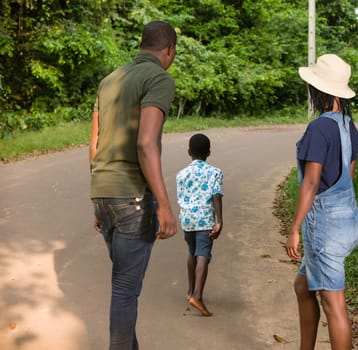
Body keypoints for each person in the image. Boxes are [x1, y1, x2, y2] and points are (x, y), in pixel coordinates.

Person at [89, 21, 178, 350]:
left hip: (104, 192)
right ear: (168, 50)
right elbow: (145, 143)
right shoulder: (158, 78)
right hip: (132, 198)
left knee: (124, 286)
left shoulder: (110, 79)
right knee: (125, 289)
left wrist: (100, 199)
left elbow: (95, 144)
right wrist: (165, 205)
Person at [285, 54, 358, 350]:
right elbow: (348, 179)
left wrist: (295, 227)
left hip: (326, 226)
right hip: (348, 221)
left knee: (334, 303)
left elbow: (312, 182)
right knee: (303, 286)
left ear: (318, 91)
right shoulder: (348, 126)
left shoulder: (319, 129)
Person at [176, 133, 223, 317]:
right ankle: (197, 296)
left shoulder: (181, 174)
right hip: (205, 219)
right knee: (203, 256)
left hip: (187, 219)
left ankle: (190, 291)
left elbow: (181, 196)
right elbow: (216, 195)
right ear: (209, 153)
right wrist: (219, 220)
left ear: (189, 152)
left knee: (192, 252)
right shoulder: (215, 172)